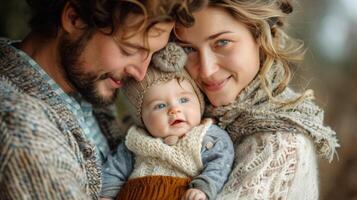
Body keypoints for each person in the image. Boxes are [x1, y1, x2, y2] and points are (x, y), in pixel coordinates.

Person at [0, 0, 206, 199]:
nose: (140, 74)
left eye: (152, 54)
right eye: (130, 50)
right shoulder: (21, 133)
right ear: (75, 19)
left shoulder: (85, 88)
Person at [174, 0, 340, 199]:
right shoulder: (183, 114)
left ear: (258, 35)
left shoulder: (280, 144)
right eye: (188, 49)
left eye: (222, 42)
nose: (207, 70)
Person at [99, 43, 234, 200]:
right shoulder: (135, 141)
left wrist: (203, 188)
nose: (174, 110)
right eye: (160, 106)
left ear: (199, 102)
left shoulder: (207, 136)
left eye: (184, 99)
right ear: (142, 118)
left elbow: (220, 163)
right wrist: (106, 195)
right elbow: (114, 169)